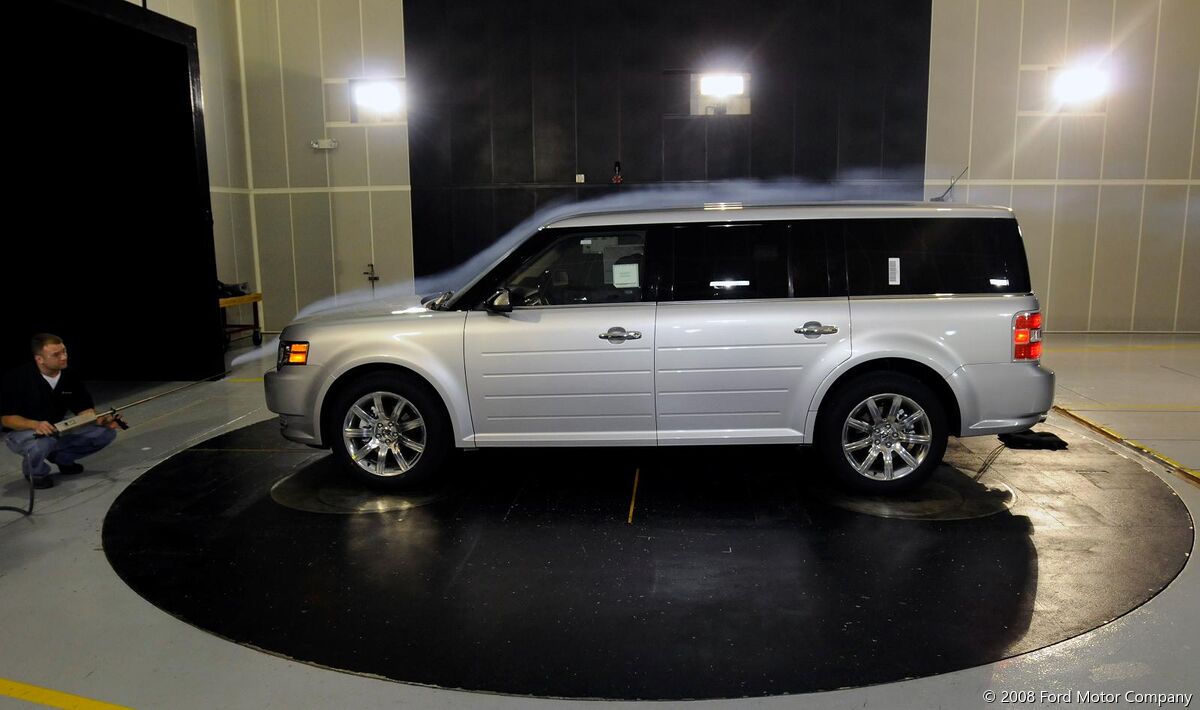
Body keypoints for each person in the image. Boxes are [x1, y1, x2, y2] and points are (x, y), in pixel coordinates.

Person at [1, 334, 118, 489]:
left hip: (56, 428)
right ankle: (35, 473)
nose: (63, 357)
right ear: (39, 359)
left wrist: (102, 418)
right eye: (56, 355)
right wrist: (35, 424)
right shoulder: (16, 378)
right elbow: (7, 420)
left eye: (64, 351)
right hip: (22, 431)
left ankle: (63, 458)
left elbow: (84, 410)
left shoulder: (70, 375)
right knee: (44, 441)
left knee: (105, 432)